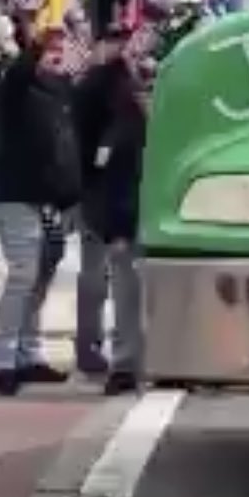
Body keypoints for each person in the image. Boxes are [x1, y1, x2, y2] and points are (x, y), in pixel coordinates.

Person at [0, 29, 83, 395]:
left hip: (50, 199)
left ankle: (28, 354)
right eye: (50, 51)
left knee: (41, 277)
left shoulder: (61, 93)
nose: (57, 57)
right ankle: (1, 359)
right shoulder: (17, 88)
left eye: (61, 50)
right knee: (23, 274)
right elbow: (19, 73)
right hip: (16, 194)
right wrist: (35, 46)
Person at [84, 55, 153, 394]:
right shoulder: (124, 131)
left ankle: (143, 361)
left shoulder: (161, 129)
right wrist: (116, 228)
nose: (147, 96)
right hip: (131, 223)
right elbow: (113, 183)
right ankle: (126, 364)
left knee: (138, 296)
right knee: (127, 296)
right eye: (143, 89)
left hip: (153, 223)